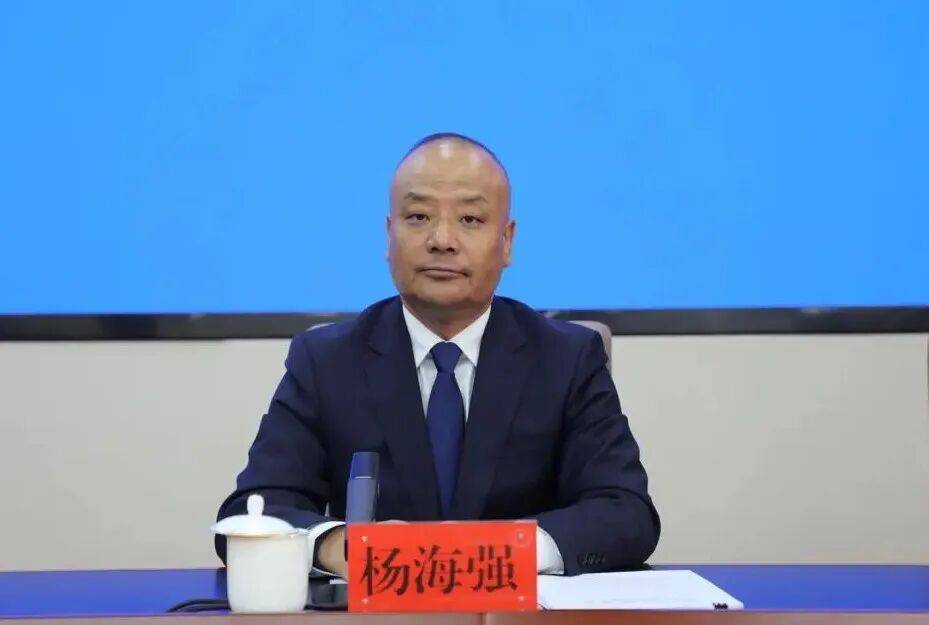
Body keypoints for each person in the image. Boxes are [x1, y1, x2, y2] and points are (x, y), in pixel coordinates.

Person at [216, 133, 660, 577]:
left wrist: (502, 552)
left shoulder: (567, 358)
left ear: (507, 241)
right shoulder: (326, 360)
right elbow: (254, 510)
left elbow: (626, 512)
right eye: (418, 217)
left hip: (519, 608)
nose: (442, 240)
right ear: (389, 235)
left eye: (470, 219)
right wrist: (341, 546)